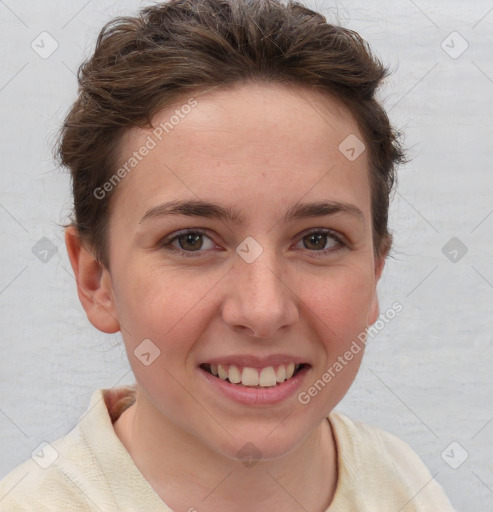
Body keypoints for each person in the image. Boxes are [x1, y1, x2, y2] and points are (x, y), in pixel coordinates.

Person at [0, 0, 456, 510]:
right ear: (95, 279)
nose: (263, 311)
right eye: (191, 240)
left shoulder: (406, 484)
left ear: (375, 271)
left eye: (317, 239)